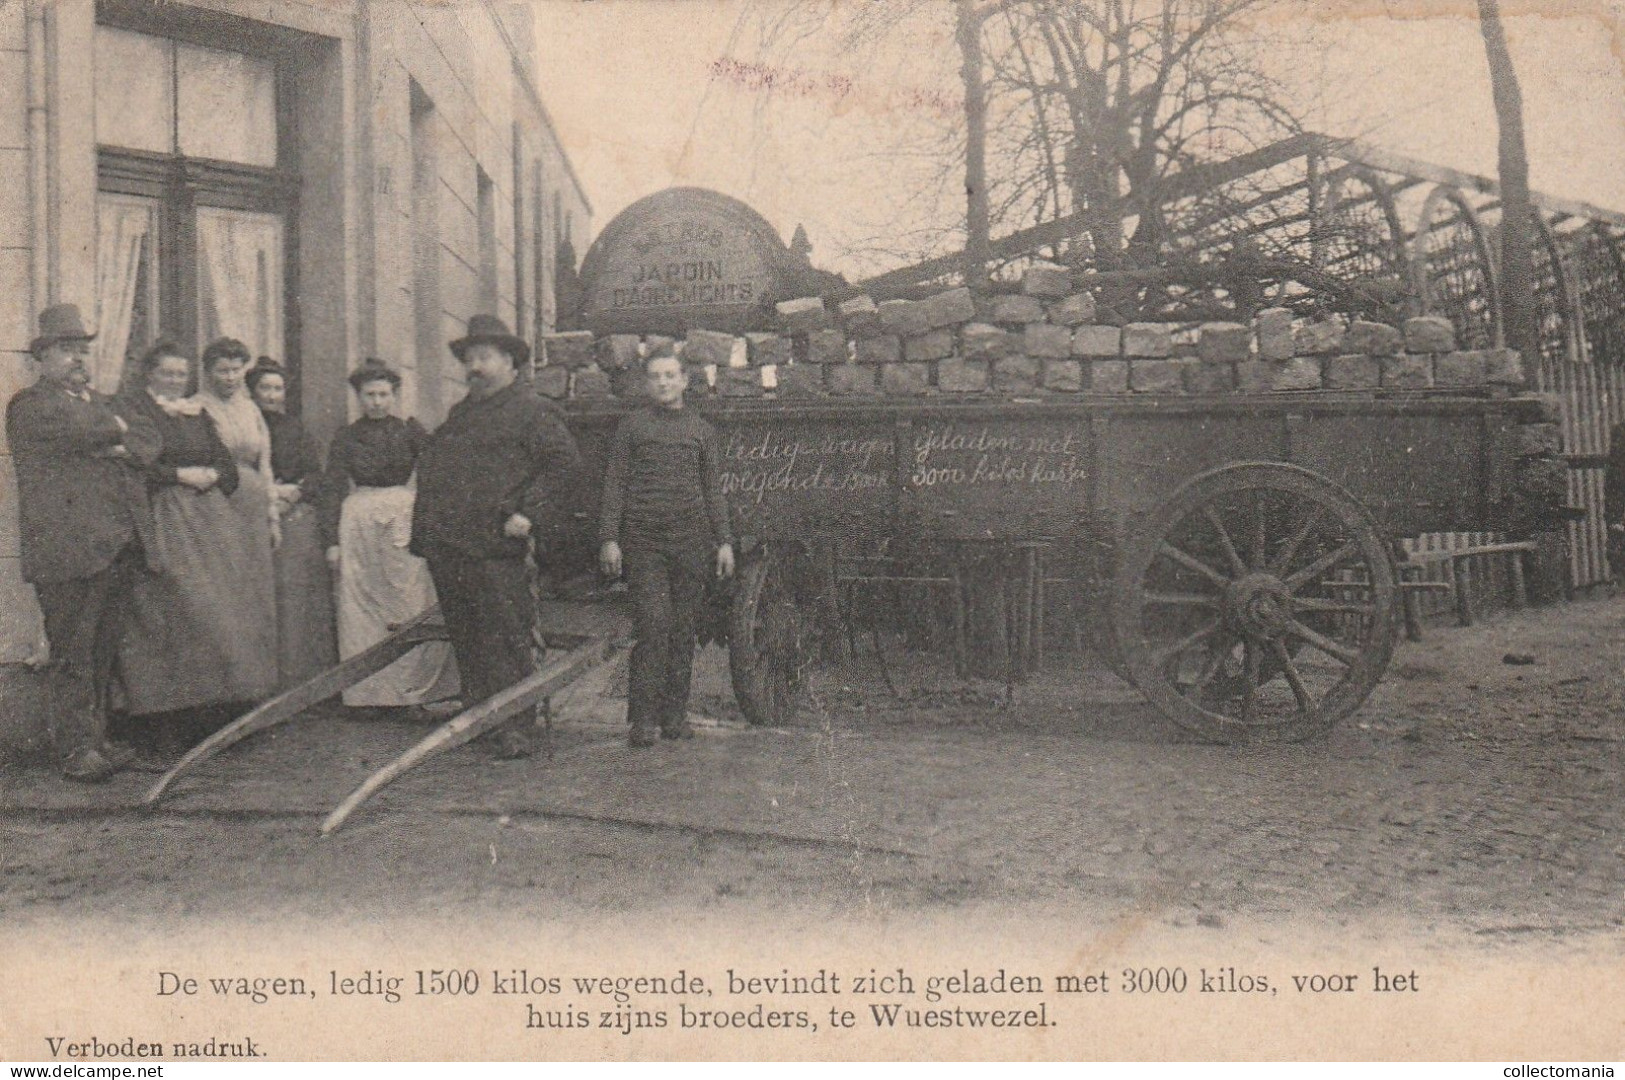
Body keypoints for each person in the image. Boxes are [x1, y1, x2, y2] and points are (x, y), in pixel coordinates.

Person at [410, 315, 582, 758]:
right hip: (451, 544)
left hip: (497, 546)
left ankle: (515, 724)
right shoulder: (460, 414)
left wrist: (529, 512)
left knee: (505, 634)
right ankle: (480, 716)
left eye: (484, 357)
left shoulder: (533, 410)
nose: (475, 367)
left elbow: (563, 465)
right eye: (470, 359)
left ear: (509, 361)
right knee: (466, 635)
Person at [5, 303, 158, 781]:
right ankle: (75, 751)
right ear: (42, 359)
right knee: (72, 652)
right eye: (67, 350)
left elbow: (151, 442)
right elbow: (83, 431)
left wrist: (115, 437)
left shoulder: (101, 403)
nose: (78, 360)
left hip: (112, 546)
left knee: (102, 651)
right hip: (67, 552)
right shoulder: (30, 407)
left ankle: (97, 741)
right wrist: (117, 436)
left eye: (83, 350)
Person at [115, 342, 277, 734]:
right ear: (149, 374)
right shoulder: (139, 410)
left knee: (220, 612)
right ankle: (168, 717)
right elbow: (137, 463)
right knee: (179, 610)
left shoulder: (196, 412)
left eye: (181, 375)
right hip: (165, 518)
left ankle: (215, 711)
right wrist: (180, 476)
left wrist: (216, 475)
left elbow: (226, 461)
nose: (175, 381)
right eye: (167, 373)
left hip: (212, 522)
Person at [598, 350, 734, 747]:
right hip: (644, 544)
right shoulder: (632, 428)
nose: (663, 382)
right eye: (656, 376)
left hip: (692, 543)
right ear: (647, 383)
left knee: (683, 629)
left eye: (670, 375)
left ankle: (675, 716)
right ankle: (643, 720)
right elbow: (615, 483)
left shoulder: (701, 430)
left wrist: (724, 542)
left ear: (684, 381)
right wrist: (609, 538)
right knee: (654, 626)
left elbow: (713, 490)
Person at [317, 359, 458, 710]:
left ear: (394, 395)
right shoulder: (346, 437)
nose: (377, 402)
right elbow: (332, 487)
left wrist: (433, 519)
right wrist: (331, 541)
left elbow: (438, 472)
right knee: (361, 602)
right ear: (358, 397)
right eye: (369, 395)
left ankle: (412, 690)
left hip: (401, 516)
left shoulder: (410, 431)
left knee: (406, 597)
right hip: (358, 519)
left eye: (383, 394)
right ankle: (367, 694)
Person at [188, 338, 279, 718]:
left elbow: (266, 465)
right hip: (218, 507)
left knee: (255, 596)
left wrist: (273, 515)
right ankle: (225, 693)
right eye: (221, 370)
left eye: (236, 369)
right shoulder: (195, 407)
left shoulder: (251, 409)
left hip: (253, 507)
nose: (229, 377)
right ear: (208, 372)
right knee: (225, 597)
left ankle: (255, 691)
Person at [249, 358, 338, 686]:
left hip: (292, 511)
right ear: (253, 391)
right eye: (264, 388)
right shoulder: (246, 425)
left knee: (296, 596)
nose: (271, 396)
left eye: (277, 388)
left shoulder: (295, 428)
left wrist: (296, 493)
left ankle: (299, 679)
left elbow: (317, 473)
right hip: (253, 511)